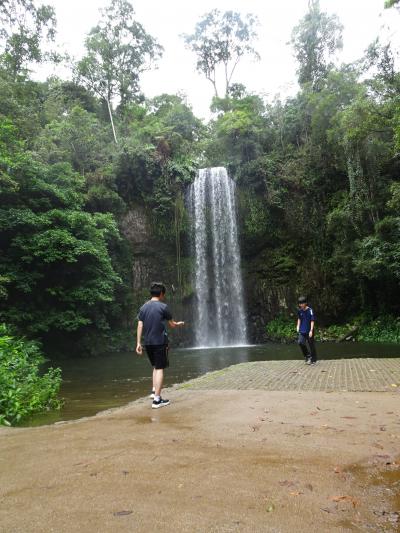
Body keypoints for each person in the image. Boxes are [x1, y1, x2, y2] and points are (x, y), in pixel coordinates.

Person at [136, 282, 185, 409]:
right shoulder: (163, 307)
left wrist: (138, 343)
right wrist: (179, 324)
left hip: (148, 343)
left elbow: (140, 325)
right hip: (160, 342)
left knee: (155, 366)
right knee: (160, 368)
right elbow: (172, 324)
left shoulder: (143, 307)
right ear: (162, 294)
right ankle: (157, 400)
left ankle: (154, 392)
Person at [296, 296, 317, 365]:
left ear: (305, 303)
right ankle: (307, 356)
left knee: (311, 345)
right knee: (300, 342)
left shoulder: (310, 310)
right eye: (300, 304)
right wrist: (298, 326)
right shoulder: (299, 311)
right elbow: (299, 319)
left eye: (302, 303)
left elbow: (312, 321)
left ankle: (313, 360)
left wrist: (311, 330)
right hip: (302, 330)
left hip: (309, 330)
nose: (301, 305)